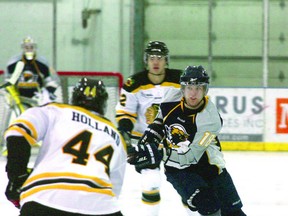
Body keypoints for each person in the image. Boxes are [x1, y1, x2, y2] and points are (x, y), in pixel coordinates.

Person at [127, 65, 247, 216]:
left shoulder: (211, 119)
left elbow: (191, 156)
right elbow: (159, 123)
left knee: (235, 213)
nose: (193, 93)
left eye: (199, 88)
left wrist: (158, 152)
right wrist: (145, 144)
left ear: (205, 90)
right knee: (209, 205)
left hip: (211, 168)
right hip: (179, 171)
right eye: (189, 87)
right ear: (182, 89)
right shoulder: (172, 97)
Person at [4, 78, 127, 216]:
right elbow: (115, 187)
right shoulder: (116, 136)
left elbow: (18, 132)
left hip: (46, 198)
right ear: (104, 102)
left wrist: (17, 176)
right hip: (102, 207)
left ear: (74, 97)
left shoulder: (56, 110)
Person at [115, 41, 183, 215]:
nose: (156, 61)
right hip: (146, 141)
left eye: (160, 58)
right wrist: (125, 133)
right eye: (152, 57)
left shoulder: (180, 80)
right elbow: (125, 114)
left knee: (187, 187)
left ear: (166, 60)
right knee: (151, 183)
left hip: (174, 141)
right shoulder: (134, 83)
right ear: (146, 60)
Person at [5, 36, 59, 106]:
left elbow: (52, 81)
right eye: (26, 47)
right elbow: (8, 82)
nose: (29, 49)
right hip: (19, 100)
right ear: (23, 48)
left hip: (38, 100)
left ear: (35, 47)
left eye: (31, 47)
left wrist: (47, 93)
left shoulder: (43, 63)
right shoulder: (13, 63)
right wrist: (10, 94)